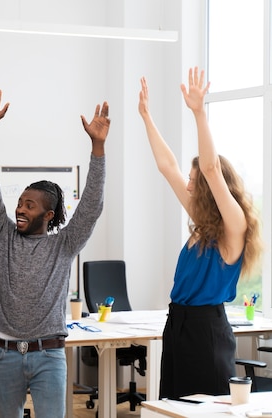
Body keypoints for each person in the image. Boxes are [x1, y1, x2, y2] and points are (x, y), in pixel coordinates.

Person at [0, 86, 109, 418]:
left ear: (48, 215)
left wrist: (97, 148)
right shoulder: (2, 235)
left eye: (29, 205)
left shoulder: (63, 245)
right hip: (3, 353)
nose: (20, 209)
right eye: (20, 202)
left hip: (48, 355)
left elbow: (90, 208)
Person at [138, 68, 263, 398]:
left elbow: (210, 168)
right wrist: (147, 117)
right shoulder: (203, 221)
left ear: (210, 186)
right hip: (177, 323)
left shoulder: (233, 227)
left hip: (207, 328)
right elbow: (168, 167)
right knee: (174, 405)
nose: (189, 184)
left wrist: (199, 113)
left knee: (205, 407)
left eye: (195, 180)